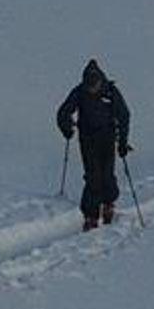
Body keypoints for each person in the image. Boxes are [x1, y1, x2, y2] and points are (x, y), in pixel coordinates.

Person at [57, 58, 132, 231]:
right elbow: (63, 112)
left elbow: (124, 116)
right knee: (93, 176)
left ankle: (108, 203)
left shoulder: (110, 91)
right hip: (87, 139)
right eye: (88, 86)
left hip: (107, 137)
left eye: (93, 86)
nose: (91, 89)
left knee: (107, 173)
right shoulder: (79, 92)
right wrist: (66, 128)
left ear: (99, 81)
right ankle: (91, 215)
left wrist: (122, 143)